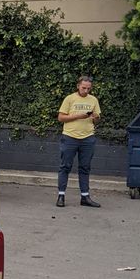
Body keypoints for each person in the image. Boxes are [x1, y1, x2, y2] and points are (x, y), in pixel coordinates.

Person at [56, 75, 101, 207]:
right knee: (65, 167)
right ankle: (61, 196)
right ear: (78, 86)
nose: (86, 91)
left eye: (88, 88)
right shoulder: (69, 98)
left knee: (85, 167)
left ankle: (85, 197)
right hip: (70, 137)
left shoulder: (93, 100)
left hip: (88, 138)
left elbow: (97, 120)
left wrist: (96, 117)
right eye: (83, 88)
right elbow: (60, 117)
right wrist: (78, 116)